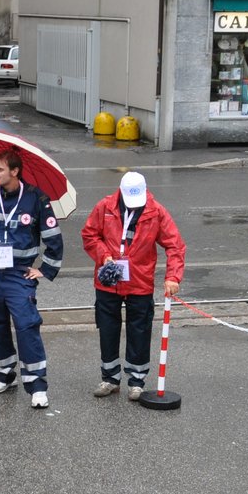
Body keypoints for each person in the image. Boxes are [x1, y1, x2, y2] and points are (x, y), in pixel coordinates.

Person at [0, 149, 64, 409]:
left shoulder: (36, 198)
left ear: (14, 171)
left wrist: (45, 269)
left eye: (0, 169)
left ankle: (37, 385)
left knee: (26, 325)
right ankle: (5, 372)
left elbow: (53, 236)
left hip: (18, 273)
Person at [79, 171, 185, 401]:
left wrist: (173, 277)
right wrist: (104, 255)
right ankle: (109, 377)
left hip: (140, 280)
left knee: (140, 329)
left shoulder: (156, 211)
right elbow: (89, 235)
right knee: (107, 328)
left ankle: (136, 380)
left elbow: (175, 245)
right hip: (109, 280)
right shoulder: (105, 207)